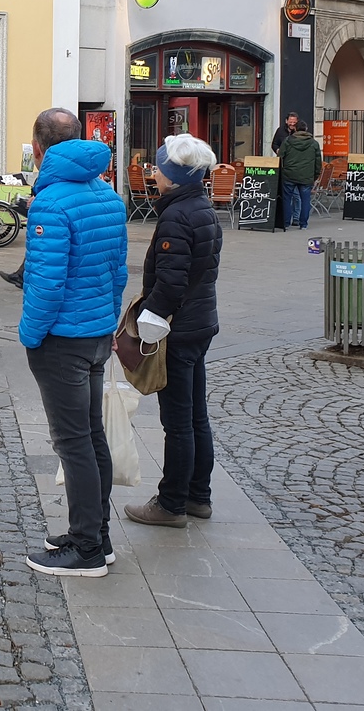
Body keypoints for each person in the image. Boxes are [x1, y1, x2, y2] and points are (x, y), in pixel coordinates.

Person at [18, 108, 129, 578]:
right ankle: (97, 535)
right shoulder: (107, 194)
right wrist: (106, 318)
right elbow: (118, 272)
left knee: (73, 442)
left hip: (63, 338)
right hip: (97, 331)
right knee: (90, 434)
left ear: (38, 148)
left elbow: (46, 285)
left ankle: (86, 549)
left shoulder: (50, 203)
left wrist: (30, 335)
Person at [125, 135, 224, 528]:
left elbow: (170, 282)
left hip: (179, 329)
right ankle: (198, 496)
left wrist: (148, 320)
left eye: (159, 167)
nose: (154, 173)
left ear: (174, 175)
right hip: (200, 322)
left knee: (178, 422)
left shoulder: (177, 215)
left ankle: (171, 504)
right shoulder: (202, 207)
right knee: (196, 416)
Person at [277, 122, 322, 230]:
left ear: (295, 129)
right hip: (306, 176)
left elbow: (280, 156)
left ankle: (286, 223)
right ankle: (303, 224)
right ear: (306, 129)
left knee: (287, 199)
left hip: (289, 174)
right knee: (305, 200)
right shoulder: (314, 143)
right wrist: (315, 176)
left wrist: (282, 171)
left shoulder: (287, 141)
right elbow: (318, 162)